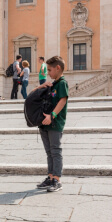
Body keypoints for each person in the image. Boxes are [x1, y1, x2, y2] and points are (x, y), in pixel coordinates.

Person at [34, 56, 69, 193]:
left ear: (58, 68)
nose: (48, 72)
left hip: (54, 123)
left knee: (55, 151)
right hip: (45, 123)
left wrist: (52, 116)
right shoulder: (53, 83)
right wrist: (42, 86)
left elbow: (62, 100)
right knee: (49, 152)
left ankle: (57, 179)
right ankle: (50, 176)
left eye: (49, 69)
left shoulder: (62, 83)